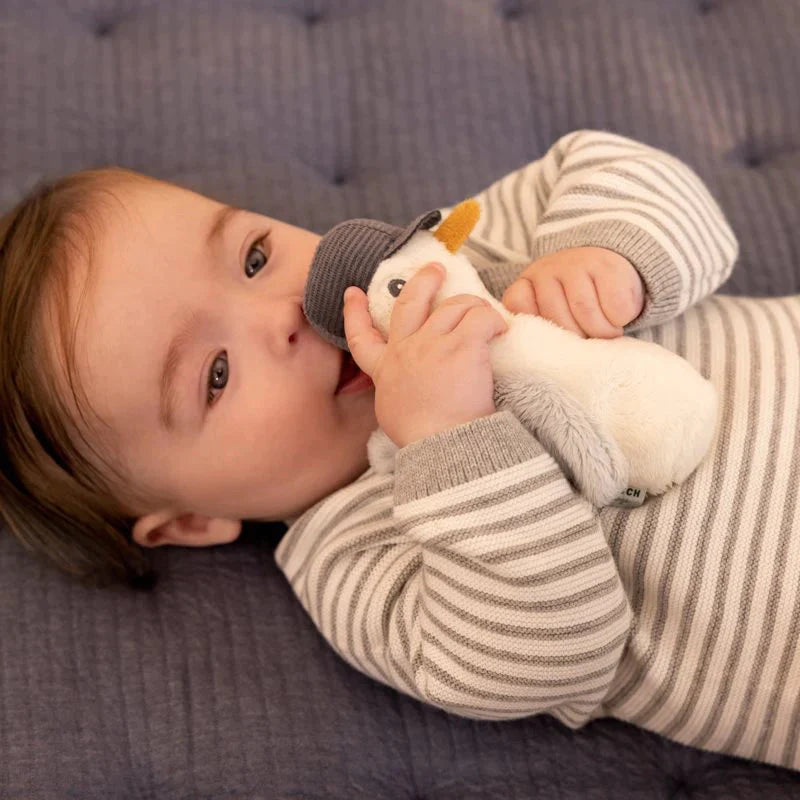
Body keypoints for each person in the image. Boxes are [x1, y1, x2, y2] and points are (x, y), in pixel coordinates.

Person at [4, 129, 797, 772]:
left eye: (252, 257)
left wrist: (609, 256)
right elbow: (550, 654)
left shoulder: (433, 267)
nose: (279, 311)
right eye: (215, 375)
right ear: (190, 522)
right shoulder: (353, 557)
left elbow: (619, 168)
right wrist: (450, 440)